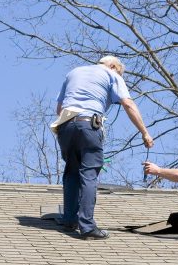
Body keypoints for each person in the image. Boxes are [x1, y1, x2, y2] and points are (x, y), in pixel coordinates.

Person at [53, 56, 154, 239]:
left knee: (71, 172)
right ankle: (87, 226)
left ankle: (69, 219)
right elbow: (128, 103)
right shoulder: (112, 75)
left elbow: (59, 109)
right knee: (89, 174)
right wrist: (144, 132)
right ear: (114, 66)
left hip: (65, 126)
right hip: (88, 126)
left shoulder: (73, 72)